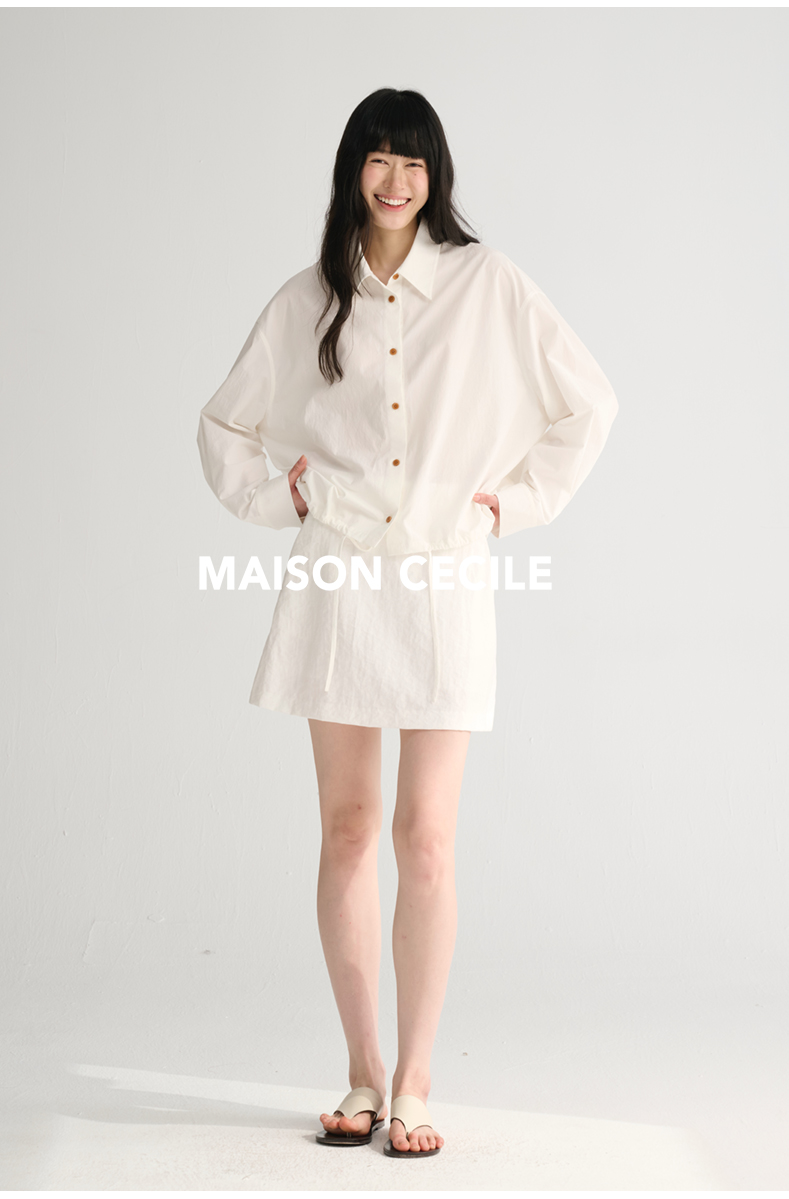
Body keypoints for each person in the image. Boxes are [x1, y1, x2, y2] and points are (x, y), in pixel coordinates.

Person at [197, 87, 618, 1158]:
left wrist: (506, 506)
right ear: (353, 170)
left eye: (414, 163)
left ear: (436, 177)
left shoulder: (485, 283)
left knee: (426, 835)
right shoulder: (309, 298)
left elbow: (589, 403)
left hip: (442, 580)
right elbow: (225, 425)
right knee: (347, 829)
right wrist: (282, 498)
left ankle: (418, 1081)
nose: (395, 181)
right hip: (337, 580)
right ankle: (362, 1072)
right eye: (379, 159)